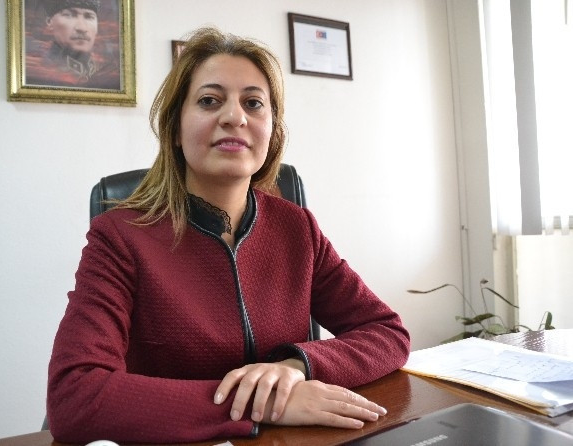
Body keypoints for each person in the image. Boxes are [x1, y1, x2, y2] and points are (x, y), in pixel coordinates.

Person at [46, 27, 410, 444]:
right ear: (175, 129)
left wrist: (295, 367)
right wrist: (261, 403)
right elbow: (74, 395)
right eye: (209, 101)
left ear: (272, 130)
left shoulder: (297, 228)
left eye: (253, 103)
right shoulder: (120, 237)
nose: (235, 117)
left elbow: (388, 332)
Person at [25, 0, 120, 89]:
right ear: (49, 22)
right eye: (69, 15)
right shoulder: (36, 69)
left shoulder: (109, 70)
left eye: (89, 17)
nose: (82, 28)